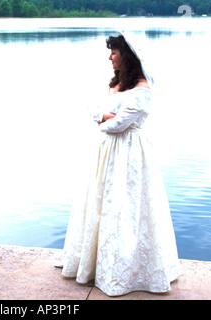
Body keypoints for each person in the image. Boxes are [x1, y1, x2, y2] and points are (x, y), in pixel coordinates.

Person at [61, 33, 180, 296]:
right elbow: (95, 111)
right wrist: (105, 115)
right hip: (106, 152)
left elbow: (119, 124)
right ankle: (95, 263)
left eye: (114, 52)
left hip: (130, 155)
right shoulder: (117, 84)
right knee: (102, 204)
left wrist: (104, 118)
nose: (110, 57)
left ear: (126, 56)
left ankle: (128, 270)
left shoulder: (142, 89)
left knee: (126, 208)